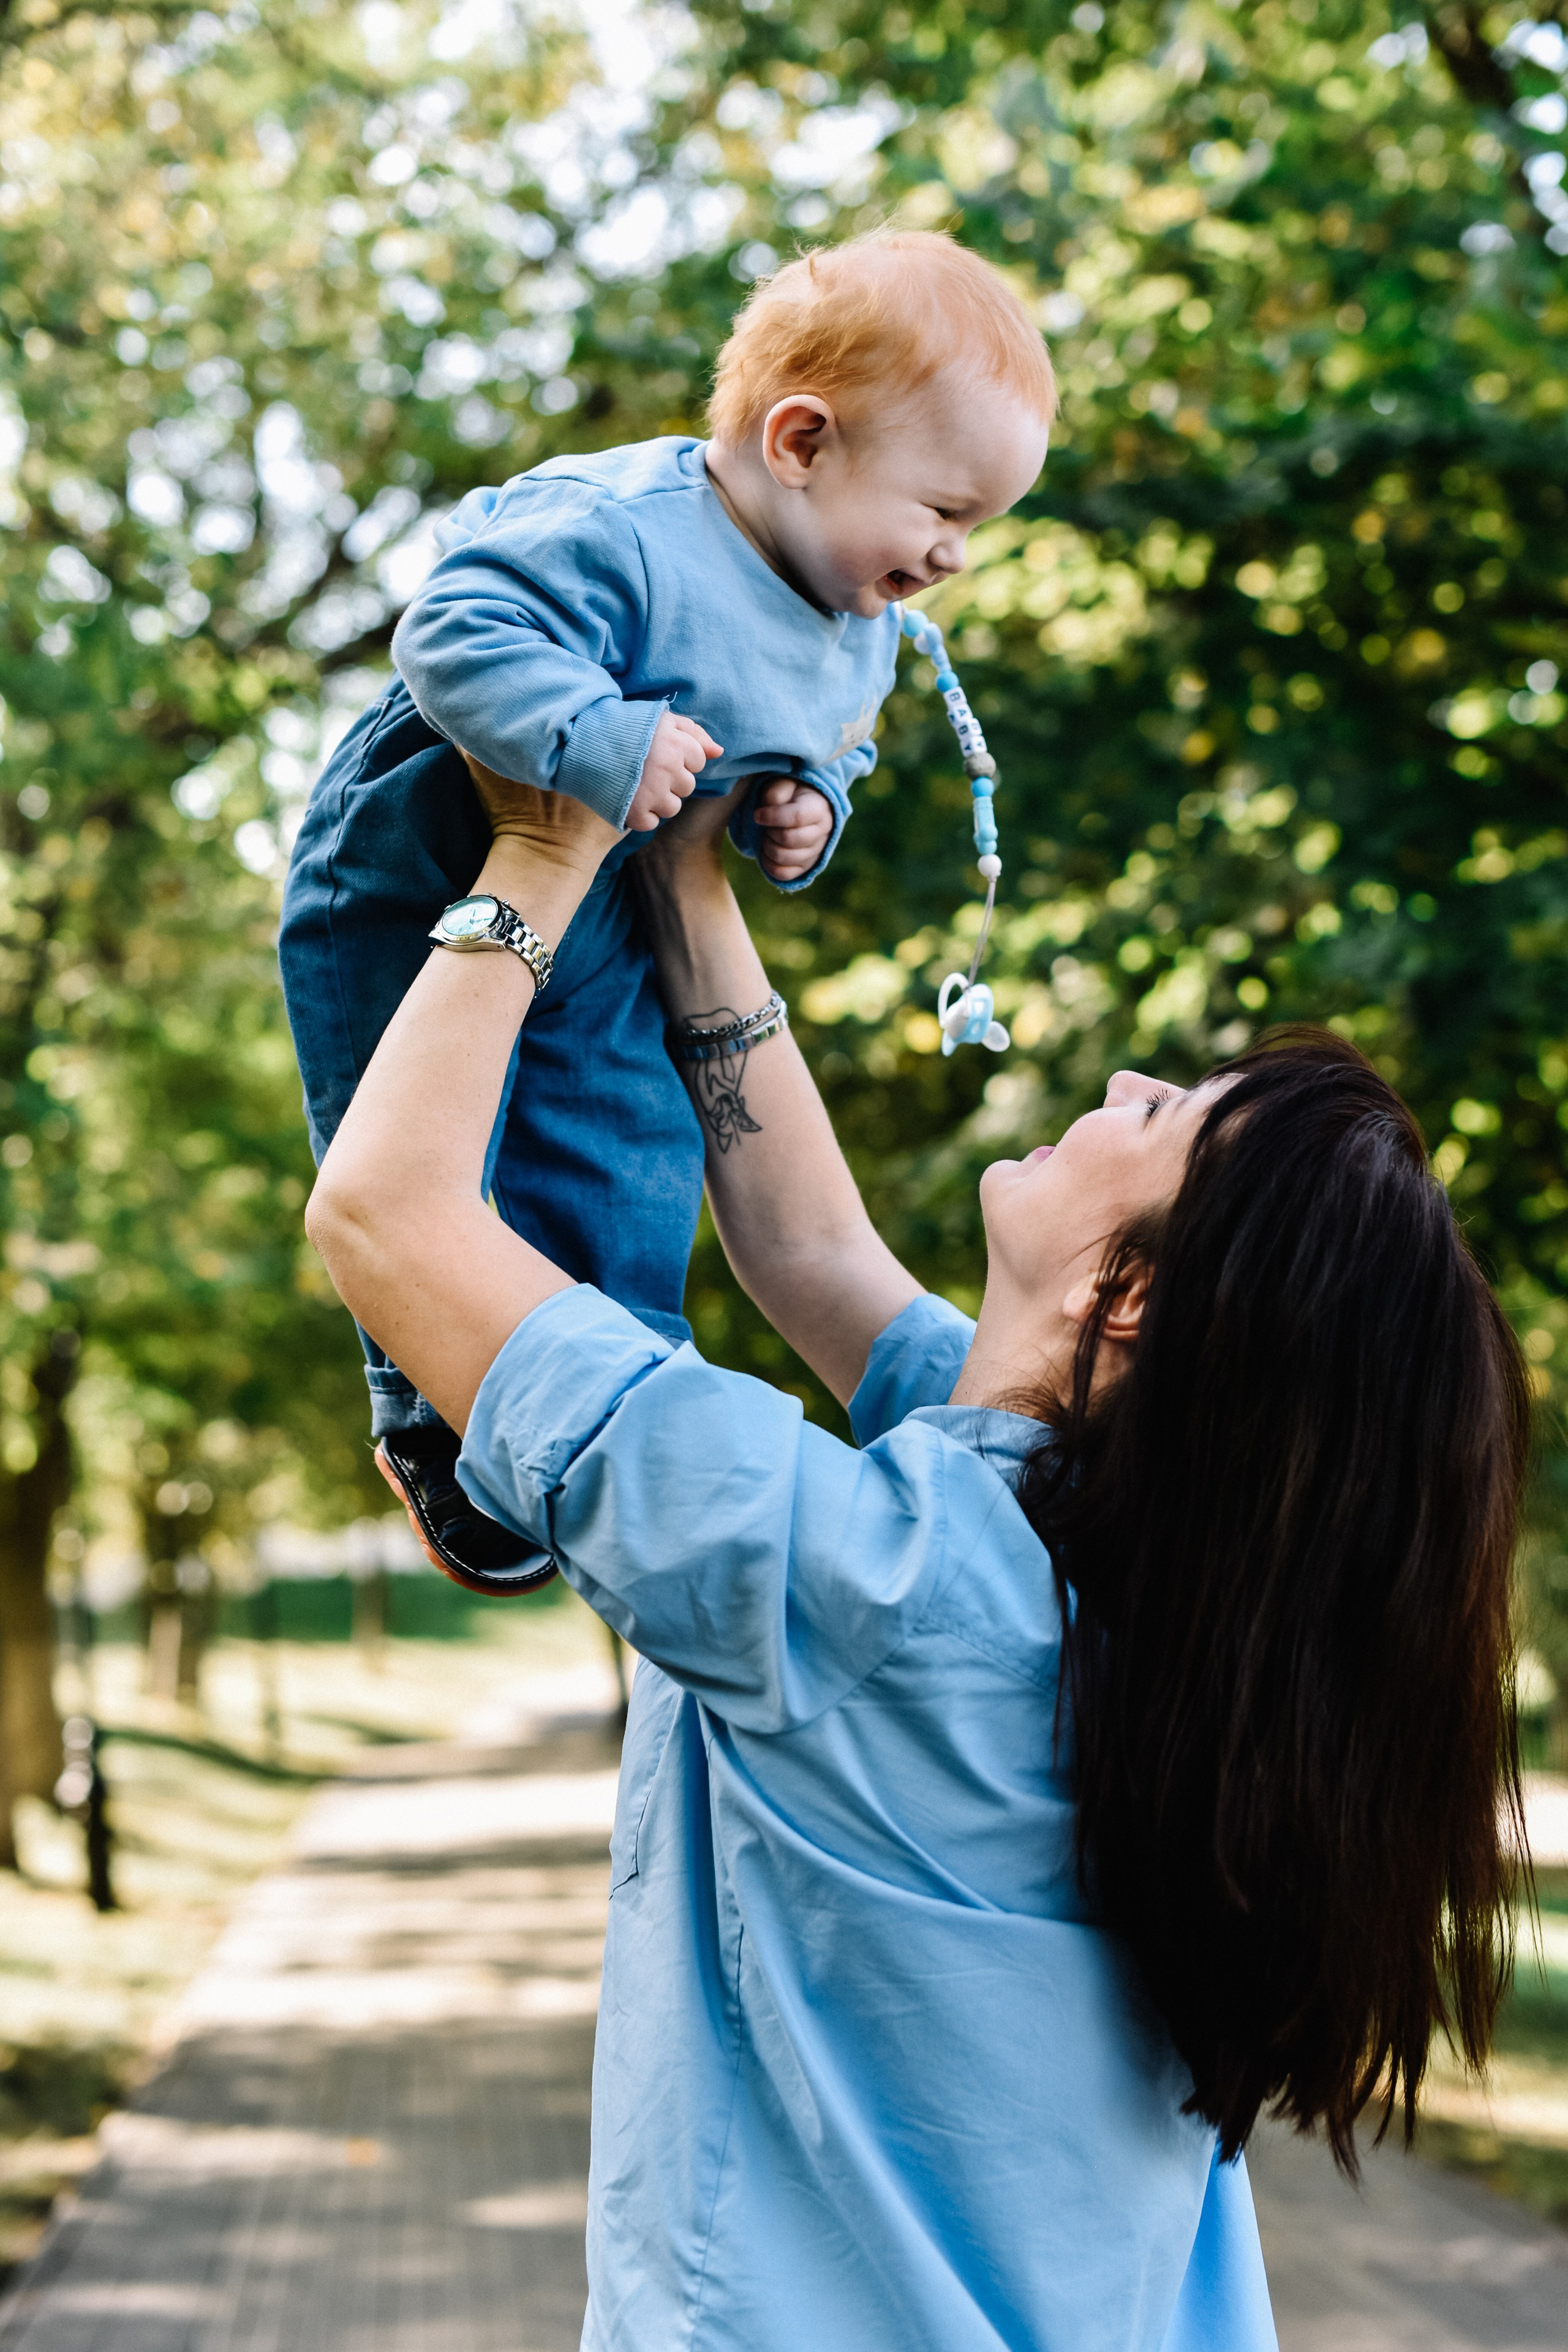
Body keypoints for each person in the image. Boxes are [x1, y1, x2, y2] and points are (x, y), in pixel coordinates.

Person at [304, 772, 1529, 2352]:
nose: (1130, 1076)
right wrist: (687, 882)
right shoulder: (1079, 1568)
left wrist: (547, 847)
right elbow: (807, 1252)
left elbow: (387, 1214)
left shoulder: (873, 1582)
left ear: (1133, 1297)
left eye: (1164, 1118)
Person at [279, 228, 1055, 1585]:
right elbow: (452, 629)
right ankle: (430, 1403)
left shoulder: (854, 613)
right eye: (943, 512)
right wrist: (590, 737)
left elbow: (825, 753)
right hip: (428, 856)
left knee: (632, 1140)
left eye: (975, 530)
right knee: (422, 1124)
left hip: (618, 898)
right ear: (800, 442)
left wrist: (801, 816)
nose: (951, 560)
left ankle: (608, 1372)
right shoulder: (625, 528)